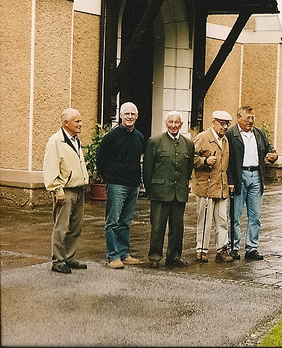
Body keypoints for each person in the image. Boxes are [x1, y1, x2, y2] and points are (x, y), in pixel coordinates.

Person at [96, 102, 146, 269]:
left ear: (137, 116)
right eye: (126, 114)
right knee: (113, 222)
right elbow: (100, 159)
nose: (130, 117)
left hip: (133, 185)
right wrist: (108, 179)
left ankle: (124, 253)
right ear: (121, 116)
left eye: (132, 114)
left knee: (126, 221)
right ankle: (113, 256)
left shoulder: (139, 136)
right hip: (116, 185)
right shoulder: (111, 137)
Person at [143, 111, 194, 269]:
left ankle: (174, 256)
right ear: (166, 123)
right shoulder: (155, 141)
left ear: (181, 124)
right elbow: (147, 168)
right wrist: (150, 189)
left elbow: (189, 167)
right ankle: (155, 257)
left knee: (177, 227)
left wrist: (184, 186)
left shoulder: (188, 144)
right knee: (158, 227)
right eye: (170, 122)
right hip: (160, 191)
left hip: (179, 192)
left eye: (176, 122)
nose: (173, 125)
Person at [226, 105, 278, 261]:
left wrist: (273, 155)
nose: (250, 121)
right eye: (247, 117)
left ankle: (251, 248)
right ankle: (233, 247)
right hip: (239, 176)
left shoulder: (259, 133)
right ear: (238, 117)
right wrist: (230, 180)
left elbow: (270, 150)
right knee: (235, 215)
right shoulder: (230, 134)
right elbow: (226, 161)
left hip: (256, 175)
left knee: (255, 215)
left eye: (252, 118)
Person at [43, 108, 89, 273]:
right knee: (61, 227)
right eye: (77, 121)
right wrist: (57, 190)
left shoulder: (75, 140)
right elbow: (50, 167)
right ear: (65, 123)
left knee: (76, 227)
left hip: (78, 189)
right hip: (65, 191)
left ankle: (70, 258)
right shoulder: (55, 141)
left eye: (80, 121)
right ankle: (58, 261)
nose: (80, 124)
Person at [192, 110, 233, 263]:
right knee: (205, 220)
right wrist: (204, 161)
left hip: (221, 187)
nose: (225, 127)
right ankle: (201, 250)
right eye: (222, 123)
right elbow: (191, 158)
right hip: (205, 187)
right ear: (213, 122)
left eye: (227, 124)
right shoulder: (202, 137)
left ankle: (222, 249)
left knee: (222, 220)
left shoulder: (225, 140)